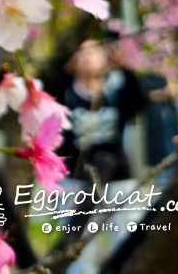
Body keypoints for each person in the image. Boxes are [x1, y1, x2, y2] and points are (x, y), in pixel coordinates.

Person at [56, 40, 147, 274]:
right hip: (75, 181)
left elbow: (139, 104)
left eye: (93, 52)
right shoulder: (64, 91)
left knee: (126, 237)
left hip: (118, 178)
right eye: (81, 53)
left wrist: (126, 69)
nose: (87, 58)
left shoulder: (116, 91)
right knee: (79, 246)